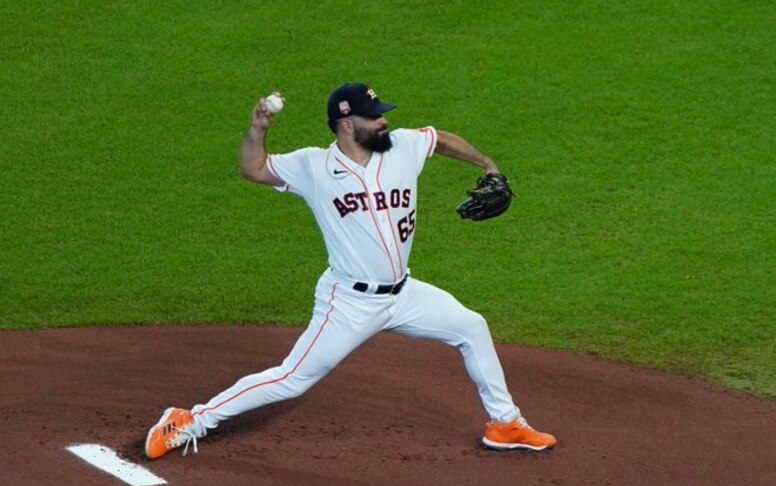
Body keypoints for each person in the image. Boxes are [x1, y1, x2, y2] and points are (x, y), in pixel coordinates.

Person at [144, 82, 557, 459]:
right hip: (349, 302)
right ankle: (190, 418)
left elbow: (440, 140)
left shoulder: (402, 146)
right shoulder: (313, 166)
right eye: (374, 115)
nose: (384, 120)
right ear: (346, 124)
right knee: (293, 378)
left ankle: (505, 424)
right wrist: (257, 128)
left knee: (471, 327)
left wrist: (488, 165)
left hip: (405, 294)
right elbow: (252, 169)